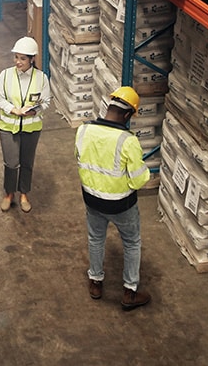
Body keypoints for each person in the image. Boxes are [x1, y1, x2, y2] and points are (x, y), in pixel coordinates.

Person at [75, 86, 151, 311]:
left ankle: (96, 283)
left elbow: (81, 161)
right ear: (128, 115)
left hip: (91, 199)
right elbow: (138, 180)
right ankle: (129, 291)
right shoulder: (127, 140)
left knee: (96, 239)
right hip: (121, 204)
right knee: (132, 242)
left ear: (109, 107)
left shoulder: (84, 130)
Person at [0, 37, 50, 213]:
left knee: (27, 162)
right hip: (8, 127)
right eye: (16, 57)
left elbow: (46, 101)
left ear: (32, 59)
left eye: (22, 59)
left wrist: (35, 110)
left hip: (31, 129)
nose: (18, 62)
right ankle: (9, 193)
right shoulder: (5, 75)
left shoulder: (41, 78)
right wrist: (13, 110)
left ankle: (24, 193)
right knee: (11, 163)